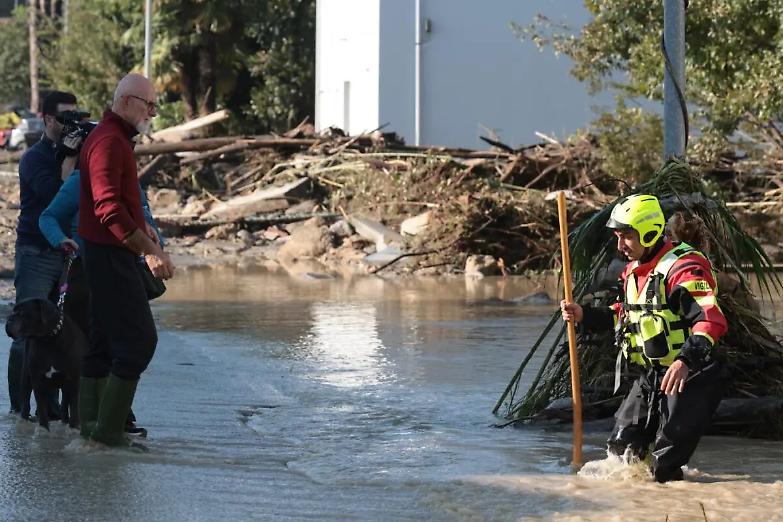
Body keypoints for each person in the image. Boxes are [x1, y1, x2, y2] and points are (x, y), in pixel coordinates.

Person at [560, 194, 727, 483]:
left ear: (649, 232)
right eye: (617, 236)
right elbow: (625, 315)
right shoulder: (633, 273)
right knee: (621, 451)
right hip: (654, 374)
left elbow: (710, 321)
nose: (620, 245)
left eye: (626, 236)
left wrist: (684, 362)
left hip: (693, 374)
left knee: (663, 468)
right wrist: (584, 315)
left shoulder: (682, 269)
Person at [78, 73, 174, 449]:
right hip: (108, 255)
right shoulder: (108, 141)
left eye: (153, 105)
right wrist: (149, 251)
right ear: (126, 101)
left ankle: (91, 429)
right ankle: (106, 433)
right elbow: (107, 209)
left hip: (104, 252)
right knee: (138, 342)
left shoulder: (112, 138)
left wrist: (144, 230)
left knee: (102, 340)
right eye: (148, 104)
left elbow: (118, 204)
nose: (152, 112)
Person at [39, 169, 165, 437]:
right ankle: (95, 422)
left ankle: (111, 420)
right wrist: (61, 241)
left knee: (121, 344)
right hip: (85, 271)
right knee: (95, 347)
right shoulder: (80, 181)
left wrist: (157, 248)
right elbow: (48, 217)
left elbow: (147, 221)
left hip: (124, 270)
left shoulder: (130, 180)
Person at [8, 91, 80, 415]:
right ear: (48, 119)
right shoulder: (34, 158)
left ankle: (53, 411)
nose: (71, 125)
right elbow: (56, 198)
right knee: (26, 332)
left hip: (68, 254)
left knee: (64, 334)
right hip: (36, 252)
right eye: (65, 118)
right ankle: (20, 408)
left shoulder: (78, 152)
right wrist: (66, 157)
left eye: (75, 117)